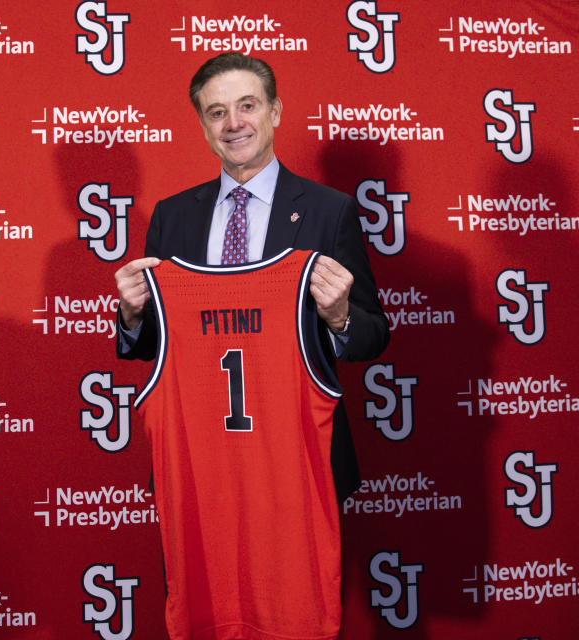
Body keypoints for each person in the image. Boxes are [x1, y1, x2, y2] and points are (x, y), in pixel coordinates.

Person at [113, 52, 389, 638]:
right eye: (217, 112)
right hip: (206, 462)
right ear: (202, 126)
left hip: (295, 462)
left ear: (275, 112)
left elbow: (372, 335)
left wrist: (340, 315)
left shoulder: (328, 209)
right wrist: (134, 314)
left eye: (246, 106)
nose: (233, 123)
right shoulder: (171, 216)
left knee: (298, 613)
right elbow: (157, 347)